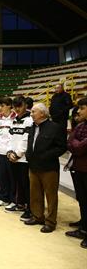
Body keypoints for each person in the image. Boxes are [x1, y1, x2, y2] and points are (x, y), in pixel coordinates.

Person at [24, 103, 67, 233]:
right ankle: (37, 216)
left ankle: (50, 221)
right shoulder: (32, 127)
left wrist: (46, 156)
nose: (31, 114)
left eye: (33, 112)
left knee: (51, 195)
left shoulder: (55, 127)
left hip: (49, 168)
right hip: (33, 166)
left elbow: (62, 147)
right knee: (35, 193)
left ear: (42, 113)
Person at [6, 96, 33, 221]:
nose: (17, 109)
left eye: (20, 106)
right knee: (16, 183)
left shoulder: (29, 120)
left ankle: (30, 209)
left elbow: (26, 139)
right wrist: (10, 152)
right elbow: (10, 138)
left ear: (25, 105)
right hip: (13, 157)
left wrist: (17, 154)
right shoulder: (14, 120)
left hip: (23, 159)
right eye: (15, 106)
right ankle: (20, 204)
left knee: (25, 184)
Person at [66, 97, 87, 248]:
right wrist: (75, 142)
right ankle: (84, 226)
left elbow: (79, 147)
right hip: (78, 167)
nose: (78, 111)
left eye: (82, 108)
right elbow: (71, 143)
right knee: (82, 198)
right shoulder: (81, 125)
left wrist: (74, 142)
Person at [0, 97, 16, 207]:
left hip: (11, 152)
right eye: (0, 105)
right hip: (0, 151)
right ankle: (3, 198)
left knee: (12, 176)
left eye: (3, 105)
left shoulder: (15, 118)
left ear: (10, 106)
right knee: (2, 176)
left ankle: (13, 200)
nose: (0, 107)